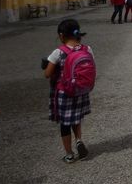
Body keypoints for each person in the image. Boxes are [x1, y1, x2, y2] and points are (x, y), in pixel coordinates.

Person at [43, 19, 93, 163]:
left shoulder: (58, 52)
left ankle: (69, 154)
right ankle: (78, 140)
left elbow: (47, 74)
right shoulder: (86, 49)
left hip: (64, 92)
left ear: (61, 35)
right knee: (76, 118)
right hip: (80, 91)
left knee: (65, 123)